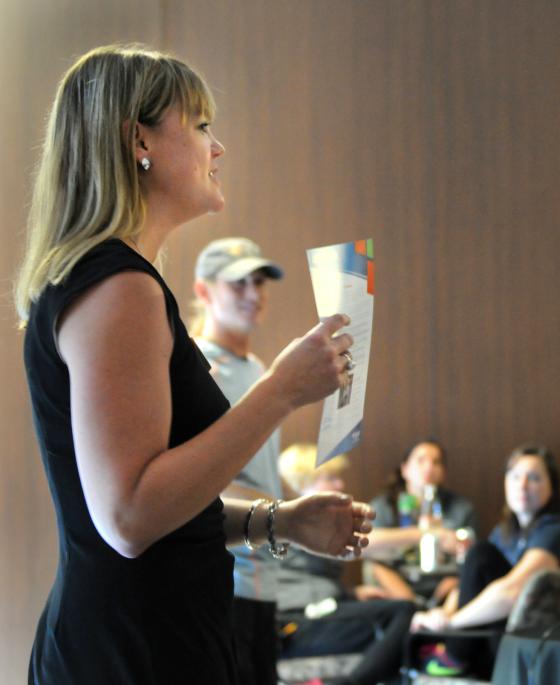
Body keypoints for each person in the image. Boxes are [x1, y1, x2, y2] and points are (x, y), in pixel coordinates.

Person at [15, 45, 372, 683]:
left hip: (142, 639)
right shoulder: (119, 288)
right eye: (202, 125)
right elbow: (128, 518)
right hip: (133, 651)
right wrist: (282, 391)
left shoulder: (112, 282)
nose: (218, 147)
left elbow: (157, 507)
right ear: (138, 141)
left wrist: (278, 519)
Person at [191, 236, 299, 684]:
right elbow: (196, 479)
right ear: (204, 291)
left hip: (265, 576)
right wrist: (288, 515)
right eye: (238, 284)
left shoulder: (258, 369)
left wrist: (298, 503)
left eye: (259, 282)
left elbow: (257, 473)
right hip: (222, 576)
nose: (254, 295)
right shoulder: (193, 365)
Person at [411, 444, 560, 676]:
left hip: (530, 644)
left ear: (552, 487)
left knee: (480, 553)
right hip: (492, 635)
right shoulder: (504, 533)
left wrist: (452, 624)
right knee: (409, 629)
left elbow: (511, 593)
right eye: (515, 476)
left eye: (533, 478)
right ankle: (452, 651)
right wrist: (444, 615)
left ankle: (454, 655)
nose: (522, 486)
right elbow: (468, 587)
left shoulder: (556, 529)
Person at [276, 444, 415, 685]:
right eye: (331, 478)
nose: (340, 485)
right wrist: (423, 534)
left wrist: (351, 593)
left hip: (313, 614)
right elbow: (365, 543)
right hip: (295, 625)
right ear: (302, 484)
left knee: (396, 641)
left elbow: (306, 575)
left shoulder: (291, 520)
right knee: (404, 612)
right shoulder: (297, 519)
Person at [366, 439, 477, 602]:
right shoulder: (385, 505)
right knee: (374, 565)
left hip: (444, 582)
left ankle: (436, 614)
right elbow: (364, 543)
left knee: (466, 575)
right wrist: (426, 533)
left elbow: (472, 553)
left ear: (444, 472)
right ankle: (414, 609)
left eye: (436, 462)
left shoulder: (460, 508)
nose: (429, 467)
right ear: (405, 469)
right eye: (421, 460)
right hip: (400, 583)